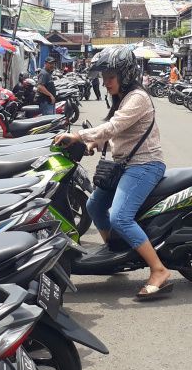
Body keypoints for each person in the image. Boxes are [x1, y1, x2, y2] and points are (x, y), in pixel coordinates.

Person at [53, 45, 170, 300]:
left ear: (126, 75)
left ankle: (159, 270)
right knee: (94, 206)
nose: (105, 83)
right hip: (124, 166)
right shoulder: (122, 97)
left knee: (120, 218)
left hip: (144, 165)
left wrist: (78, 135)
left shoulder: (137, 98)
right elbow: (115, 132)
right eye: (103, 78)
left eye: (110, 77)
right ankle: (115, 250)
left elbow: (115, 126)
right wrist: (93, 143)